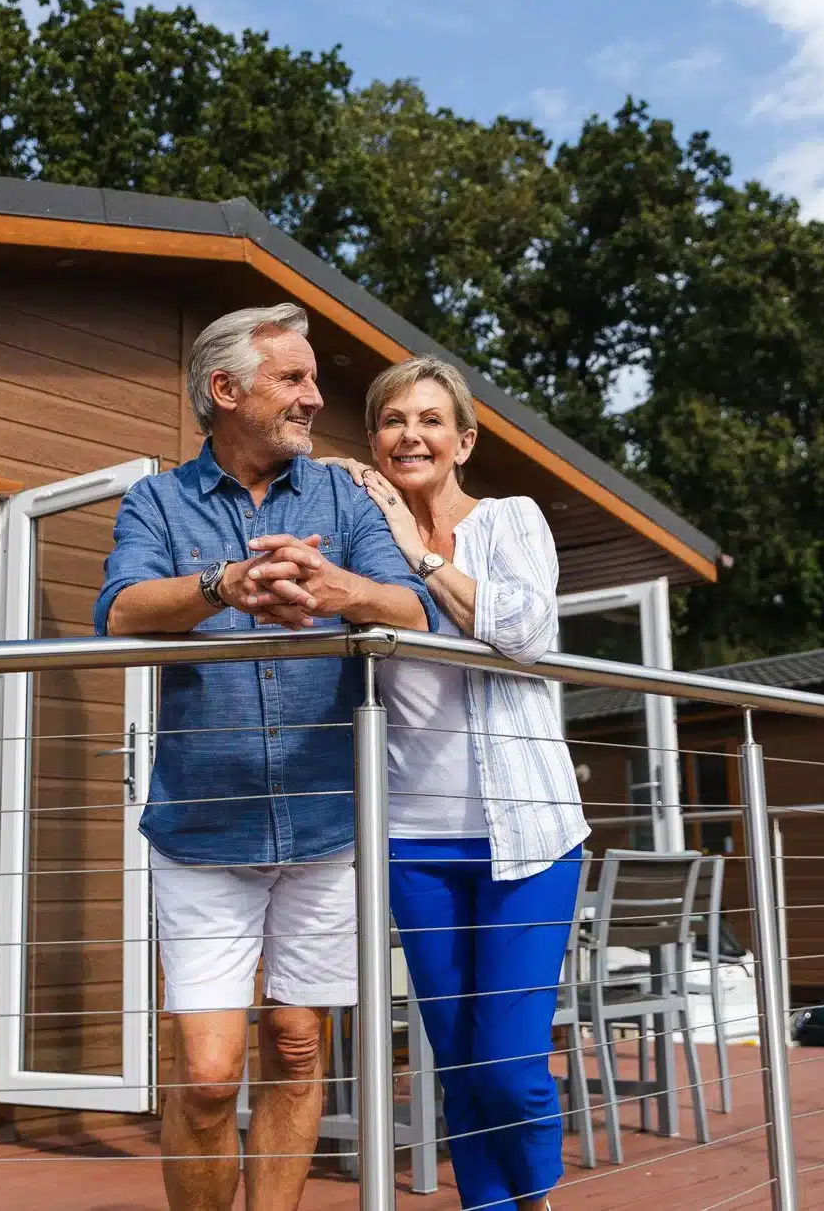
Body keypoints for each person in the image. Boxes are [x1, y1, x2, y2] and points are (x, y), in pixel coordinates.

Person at [95, 302, 437, 1211]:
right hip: (203, 829)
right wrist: (226, 585)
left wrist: (338, 588)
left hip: (328, 824)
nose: (316, 398)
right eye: (293, 379)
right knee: (207, 1075)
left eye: (312, 379)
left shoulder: (340, 495)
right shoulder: (157, 502)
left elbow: (413, 608)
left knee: (295, 1045)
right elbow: (122, 611)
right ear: (225, 390)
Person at [319, 355, 589, 1211]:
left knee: (510, 1066)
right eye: (394, 420)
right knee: (458, 1061)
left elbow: (526, 631)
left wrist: (419, 553)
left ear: (464, 439)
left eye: (431, 420)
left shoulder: (510, 519)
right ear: (373, 440)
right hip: (415, 843)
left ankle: (538, 1200)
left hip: (530, 838)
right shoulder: (361, 535)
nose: (412, 435)